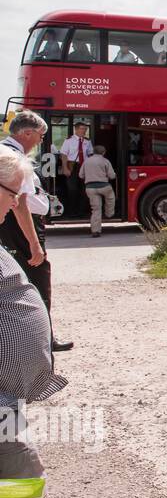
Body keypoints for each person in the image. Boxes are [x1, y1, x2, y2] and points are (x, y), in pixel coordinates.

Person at [0, 148, 134, 498]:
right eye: (13, 193)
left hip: (5, 397)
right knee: (18, 477)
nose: (17, 202)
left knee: (19, 481)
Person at [1, 112, 72, 351]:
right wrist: (34, 242)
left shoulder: (6, 152)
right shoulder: (13, 158)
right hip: (21, 227)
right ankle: (43, 338)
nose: (41, 141)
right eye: (41, 136)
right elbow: (20, 203)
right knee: (38, 276)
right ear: (27, 133)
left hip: (14, 225)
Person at [79, 145, 116, 238]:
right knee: (111, 198)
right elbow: (111, 175)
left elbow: (81, 175)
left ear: (93, 152)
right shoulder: (105, 161)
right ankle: (109, 213)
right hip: (104, 186)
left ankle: (95, 231)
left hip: (90, 188)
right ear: (103, 153)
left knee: (96, 209)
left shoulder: (86, 161)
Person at [59, 121, 93, 219]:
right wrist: (65, 168)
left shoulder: (87, 141)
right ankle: (72, 211)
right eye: (82, 129)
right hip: (72, 166)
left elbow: (90, 154)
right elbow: (64, 155)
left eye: (85, 129)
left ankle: (82, 211)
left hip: (84, 167)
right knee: (72, 189)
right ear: (76, 129)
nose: (84, 131)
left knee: (84, 189)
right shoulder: (69, 141)